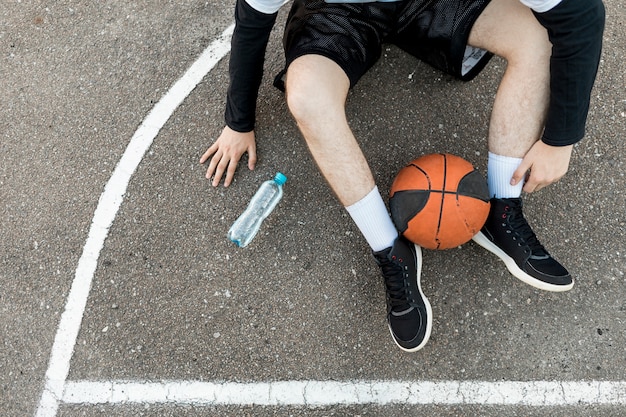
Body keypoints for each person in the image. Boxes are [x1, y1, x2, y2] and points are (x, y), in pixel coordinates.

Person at [201, 0, 605, 352]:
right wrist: (238, 122)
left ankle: (500, 209)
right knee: (307, 97)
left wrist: (560, 140)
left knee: (537, 35)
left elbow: (580, 14)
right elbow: (253, 21)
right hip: (337, 10)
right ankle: (391, 249)